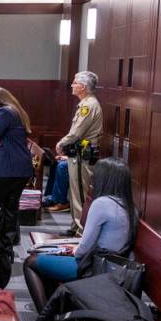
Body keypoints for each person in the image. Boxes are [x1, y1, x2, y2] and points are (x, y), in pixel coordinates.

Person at [23, 158, 137, 310]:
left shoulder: (102, 204)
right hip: (116, 267)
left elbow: (83, 250)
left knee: (30, 262)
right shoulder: (130, 207)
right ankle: (58, 309)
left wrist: (71, 249)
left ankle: (48, 317)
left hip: (94, 268)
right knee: (48, 262)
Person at [0, 87, 33, 251]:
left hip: (7, 167)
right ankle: (6, 248)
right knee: (11, 207)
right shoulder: (17, 111)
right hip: (22, 168)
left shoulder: (4, 112)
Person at [56, 71, 103, 236]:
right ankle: (76, 226)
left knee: (81, 194)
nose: (72, 85)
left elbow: (77, 132)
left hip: (82, 155)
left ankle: (82, 231)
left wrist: (62, 142)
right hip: (78, 153)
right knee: (75, 192)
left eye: (75, 83)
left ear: (82, 87)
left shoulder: (88, 106)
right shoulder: (86, 103)